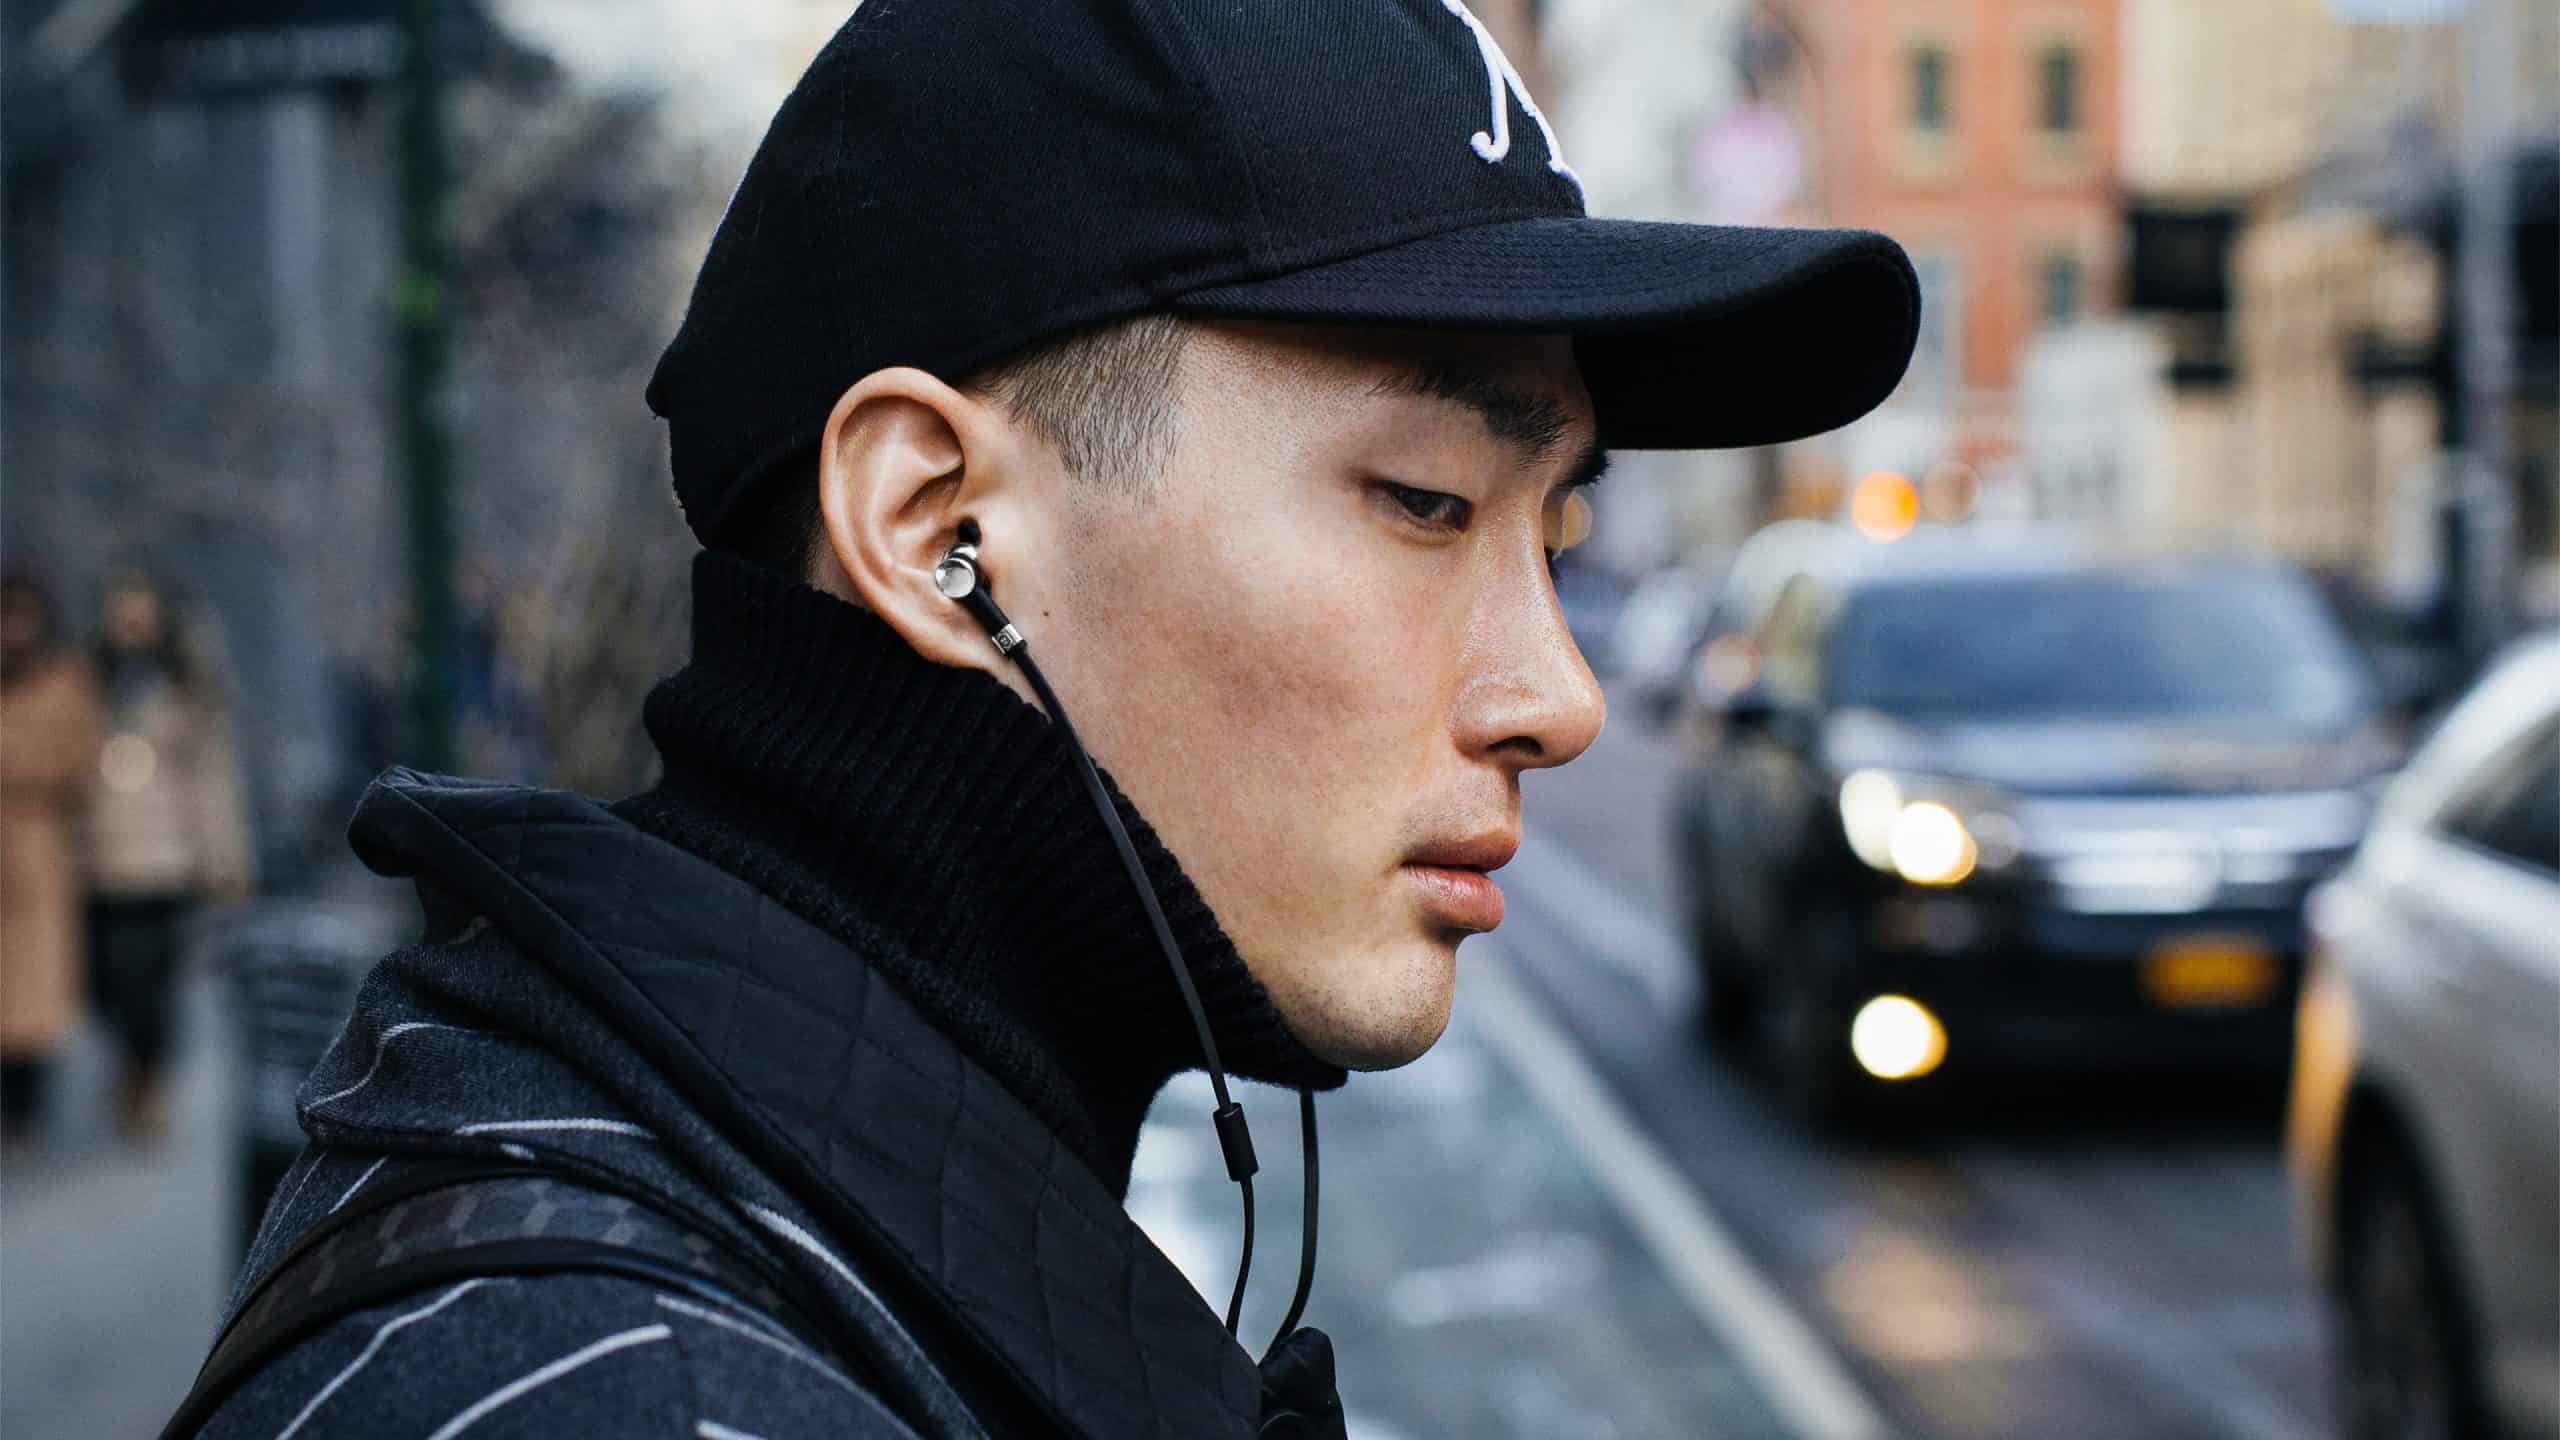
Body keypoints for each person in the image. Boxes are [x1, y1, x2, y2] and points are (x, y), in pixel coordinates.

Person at [173, 4, 1916, 1437]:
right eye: (1426, 501)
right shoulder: (641, 1392)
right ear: (935, 528)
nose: (1563, 699)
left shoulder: (798, 1207)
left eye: (1554, 533)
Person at [82, 570, 253, 1142]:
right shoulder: (89, 678)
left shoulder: (185, 682)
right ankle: (130, 1065)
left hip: (164, 857)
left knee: (152, 983)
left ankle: (149, 1077)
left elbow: (212, 775)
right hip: (97, 857)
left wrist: (225, 858)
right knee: (103, 981)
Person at [1, 573, 100, 1149]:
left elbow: (74, 762)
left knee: (31, 992)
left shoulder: (64, 681)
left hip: (34, 845)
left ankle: (24, 1108)